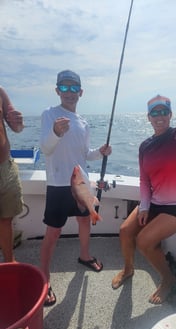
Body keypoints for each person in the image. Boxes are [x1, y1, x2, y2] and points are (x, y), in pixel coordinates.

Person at [111, 53, 176, 304]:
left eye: (164, 112)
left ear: (170, 115)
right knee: (126, 231)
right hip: (157, 201)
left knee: (145, 241)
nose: (159, 116)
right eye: (154, 113)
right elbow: (144, 181)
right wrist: (146, 206)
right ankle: (128, 269)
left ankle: (168, 279)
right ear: (148, 117)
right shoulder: (145, 146)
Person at [40, 70, 112, 306]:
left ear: (80, 92)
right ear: (57, 90)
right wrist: (55, 133)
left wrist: (98, 152)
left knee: (84, 221)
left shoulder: (83, 123)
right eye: (65, 87)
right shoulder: (49, 115)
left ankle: (84, 255)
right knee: (54, 231)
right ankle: (44, 278)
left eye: (74, 88)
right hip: (59, 184)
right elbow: (46, 150)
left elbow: (84, 155)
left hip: (81, 183)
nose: (70, 92)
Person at [0, 86, 24, 262]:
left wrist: (18, 121)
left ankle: (9, 260)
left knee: (6, 219)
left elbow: (17, 128)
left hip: (5, 167)